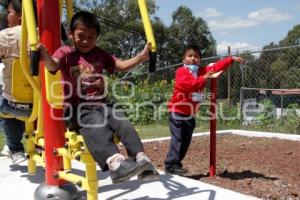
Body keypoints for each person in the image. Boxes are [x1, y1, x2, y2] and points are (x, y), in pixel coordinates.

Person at [38, 11, 159, 184]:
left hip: (101, 106)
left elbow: (120, 65)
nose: (86, 41)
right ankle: (115, 164)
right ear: (71, 34)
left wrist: (141, 57)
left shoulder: (99, 53)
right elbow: (53, 65)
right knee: (94, 121)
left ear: (97, 37)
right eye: (81, 36)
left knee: (120, 119)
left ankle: (140, 159)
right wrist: (45, 58)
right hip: (77, 109)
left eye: (91, 37)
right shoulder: (66, 52)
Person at [165, 44, 244, 175]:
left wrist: (231, 59)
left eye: (196, 56)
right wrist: (204, 78)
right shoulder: (181, 72)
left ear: (200, 60)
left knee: (185, 140)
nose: (193, 59)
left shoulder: (201, 71)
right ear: (184, 59)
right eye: (189, 56)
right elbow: (188, 86)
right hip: (177, 112)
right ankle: (171, 164)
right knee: (177, 139)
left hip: (190, 114)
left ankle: (176, 164)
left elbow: (215, 67)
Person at [0, 0, 31, 164]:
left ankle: (14, 148)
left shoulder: (5, 35)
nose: (7, 17)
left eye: (9, 13)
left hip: (12, 104)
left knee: (7, 102)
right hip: (39, 106)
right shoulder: (45, 36)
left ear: (20, 16)